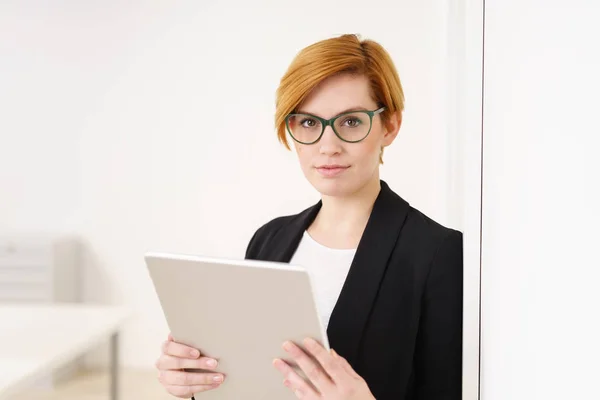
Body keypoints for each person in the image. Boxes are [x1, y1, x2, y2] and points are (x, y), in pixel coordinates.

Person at [155, 33, 463, 400]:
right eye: (308, 123)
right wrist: (196, 381)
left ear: (390, 126)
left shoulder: (438, 254)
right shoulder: (270, 239)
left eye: (350, 122)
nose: (327, 146)